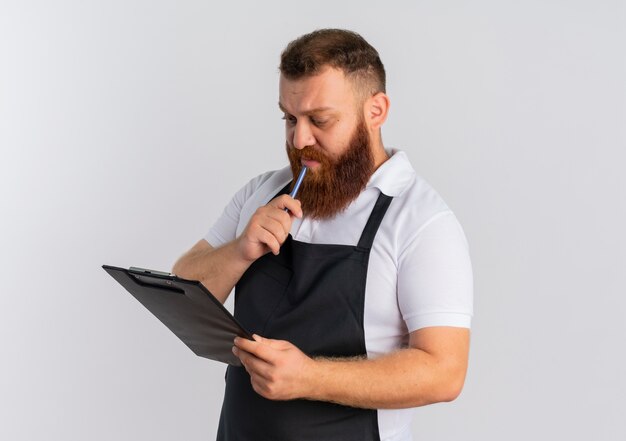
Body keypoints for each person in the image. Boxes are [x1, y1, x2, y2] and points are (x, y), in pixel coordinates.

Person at [172, 28, 473, 441]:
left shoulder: (421, 221)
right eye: (289, 118)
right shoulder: (262, 191)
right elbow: (182, 291)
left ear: (376, 110)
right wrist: (240, 251)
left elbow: (444, 372)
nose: (299, 140)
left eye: (320, 120)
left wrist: (310, 377)